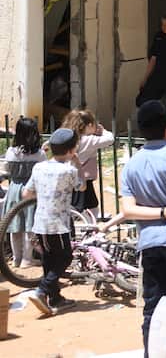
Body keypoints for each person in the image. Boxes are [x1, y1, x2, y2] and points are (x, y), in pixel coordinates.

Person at [120, 100, 166, 356]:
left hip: (149, 244)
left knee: (152, 308)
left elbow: (128, 210)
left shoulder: (132, 164)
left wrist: (157, 213)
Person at [23, 127, 83, 317]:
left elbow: (26, 193)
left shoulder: (39, 167)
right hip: (59, 224)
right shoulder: (69, 170)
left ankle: (55, 297)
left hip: (40, 222)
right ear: (71, 150)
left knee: (49, 259)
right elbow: (81, 187)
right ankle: (41, 290)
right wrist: (77, 163)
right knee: (65, 257)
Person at [2, 115, 45, 269]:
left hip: (14, 189)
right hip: (31, 191)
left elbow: (6, 169)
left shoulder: (11, 152)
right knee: (29, 225)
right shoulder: (39, 154)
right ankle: (28, 259)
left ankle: (16, 258)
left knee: (15, 225)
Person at [60, 108, 114, 221]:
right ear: (89, 125)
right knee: (91, 206)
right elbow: (110, 139)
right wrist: (103, 131)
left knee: (72, 207)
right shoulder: (88, 140)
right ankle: (91, 228)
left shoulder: (71, 139)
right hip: (84, 179)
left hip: (68, 178)